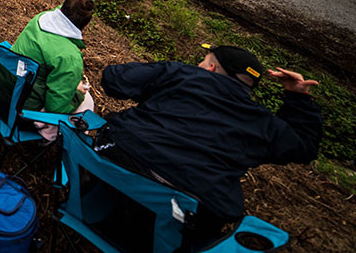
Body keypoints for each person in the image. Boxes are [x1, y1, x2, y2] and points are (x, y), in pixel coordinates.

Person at [97, 47, 322, 245]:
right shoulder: (261, 122)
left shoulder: (179, 73)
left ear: (211, 67)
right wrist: (298, 97)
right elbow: (305, 147)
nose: (198, 66)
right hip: (189, 211)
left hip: (113, 171)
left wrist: (159, 78)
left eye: (202, 62)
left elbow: (113, 79)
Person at [0, 0, 111, 141]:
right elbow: (56, 108)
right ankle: (63, 144)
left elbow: (70, 5)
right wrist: (78, 94)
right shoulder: (69, 56)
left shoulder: (41, 19)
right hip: (18, 107)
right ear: (84, 25)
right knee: (87, 102)